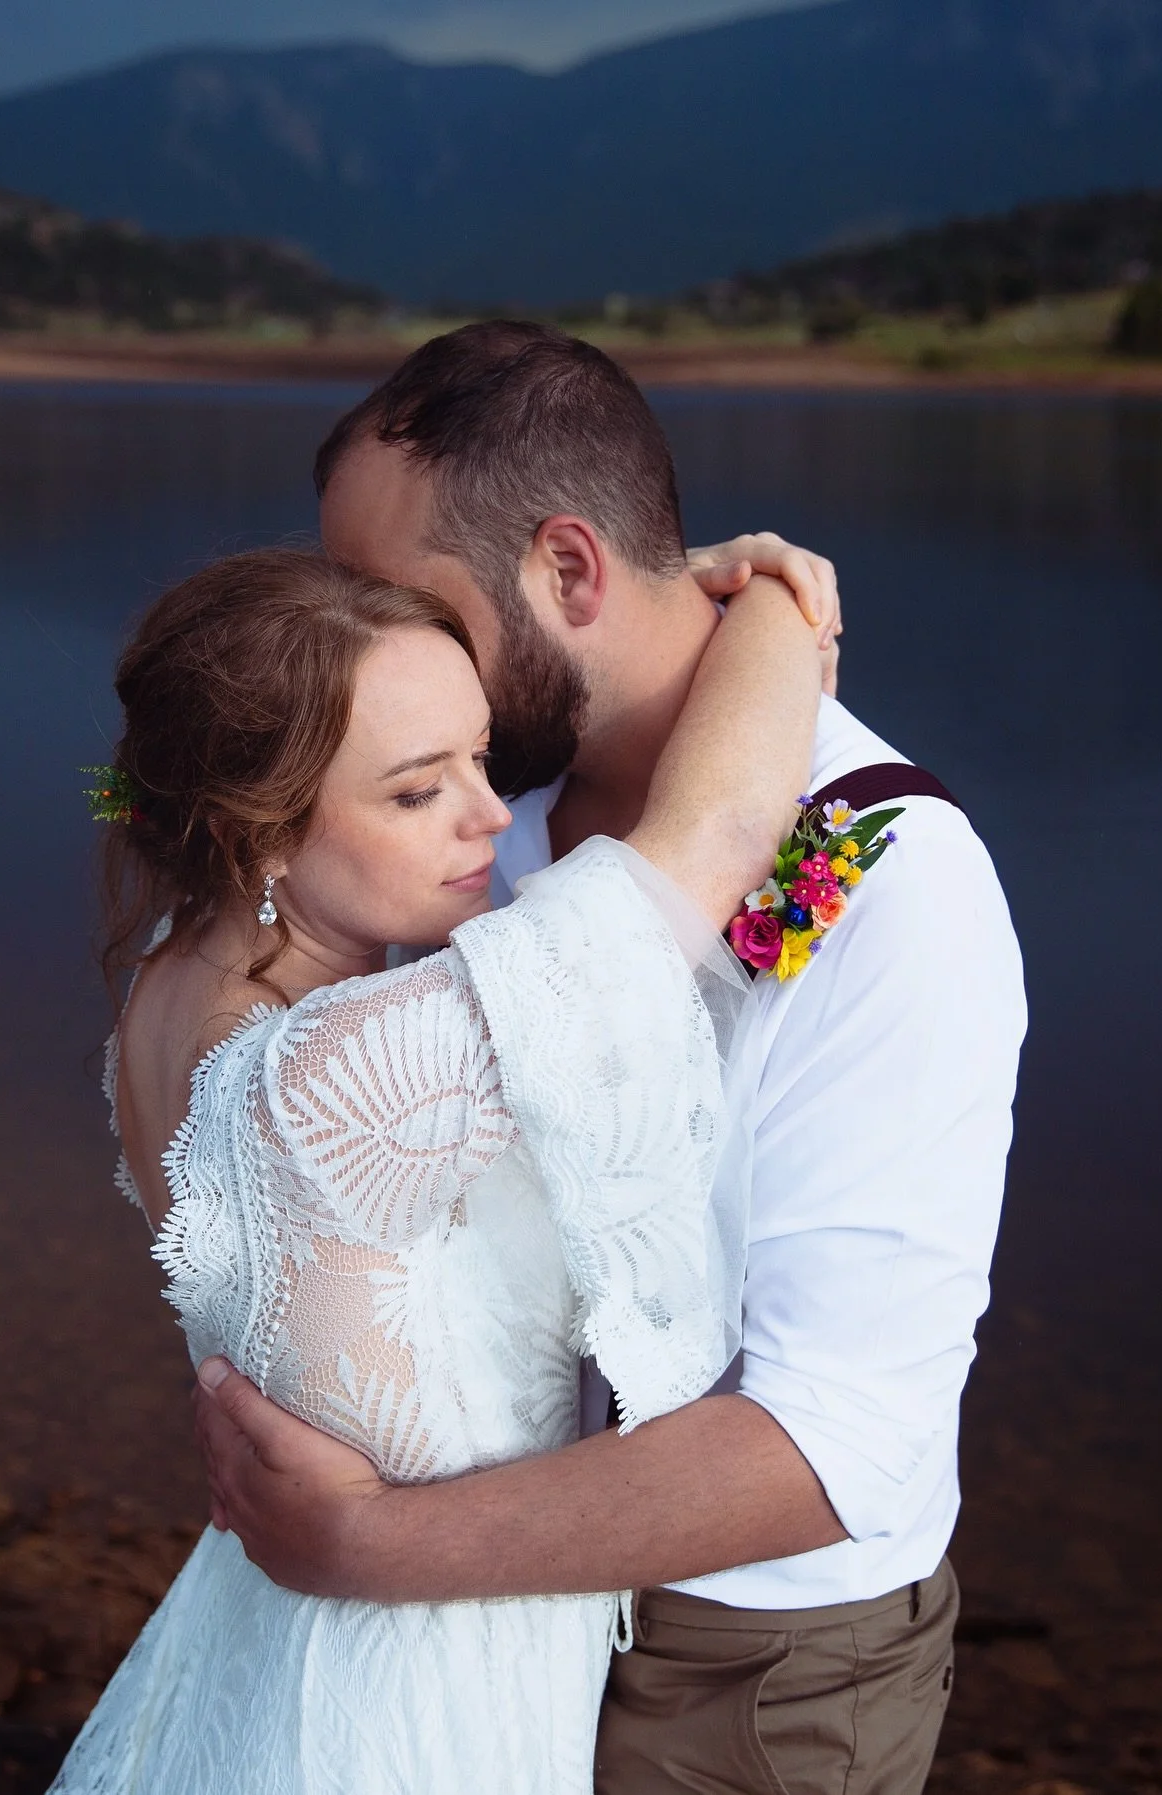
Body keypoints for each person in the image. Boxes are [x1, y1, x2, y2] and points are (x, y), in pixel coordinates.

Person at [195, 322, 1029, 1795]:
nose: (367, 654)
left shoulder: (891, 879)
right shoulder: (464, 830)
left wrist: (368, 1541)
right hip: (488, 1633)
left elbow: (841, 1440)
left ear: (572, 570)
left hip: (748, 1668)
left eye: (405, 605)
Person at [50, 547, 823, 1793]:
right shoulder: (336, 1077)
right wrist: (778, 597)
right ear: (257, 830)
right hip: (412, 1688)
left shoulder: (173, 974)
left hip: (267, 1632)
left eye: (482, 757)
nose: (492, 816)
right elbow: (725, 828)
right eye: (417, 791)